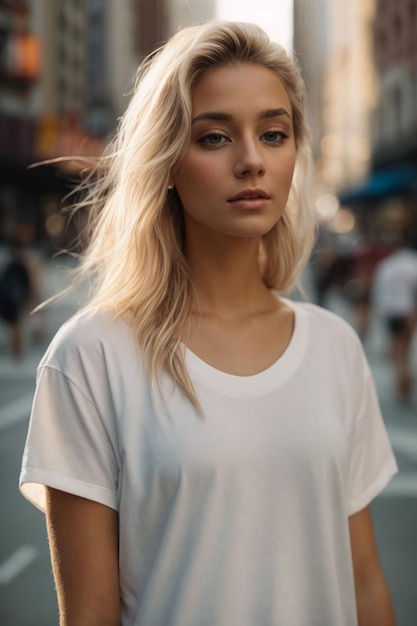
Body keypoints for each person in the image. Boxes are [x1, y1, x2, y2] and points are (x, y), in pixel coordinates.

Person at [20, 21, 397, 626]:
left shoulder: (335, 347)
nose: (252, 160)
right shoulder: (90, 356)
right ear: (167, 161)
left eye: (274, 134)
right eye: (215, 137)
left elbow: (366, 582)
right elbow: (89, 615)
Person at [372, 236, 417, 403]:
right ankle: (404, 377)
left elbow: (379, 290)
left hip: (391, 310)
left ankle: (400, 378)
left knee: (396, 347)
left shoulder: (387, 265)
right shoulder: (413, 263)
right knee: (406, 347)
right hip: (409, 310)